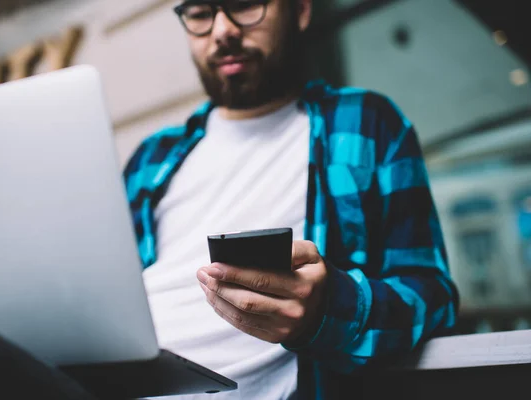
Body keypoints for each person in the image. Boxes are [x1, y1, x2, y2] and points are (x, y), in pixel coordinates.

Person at [123, 0, 459, 399]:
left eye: (245, 5)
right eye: (200, 13)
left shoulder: (365, 122)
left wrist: (327, 311)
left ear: (300, 11)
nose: (222, 30)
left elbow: (434, 300)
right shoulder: (150, 159)